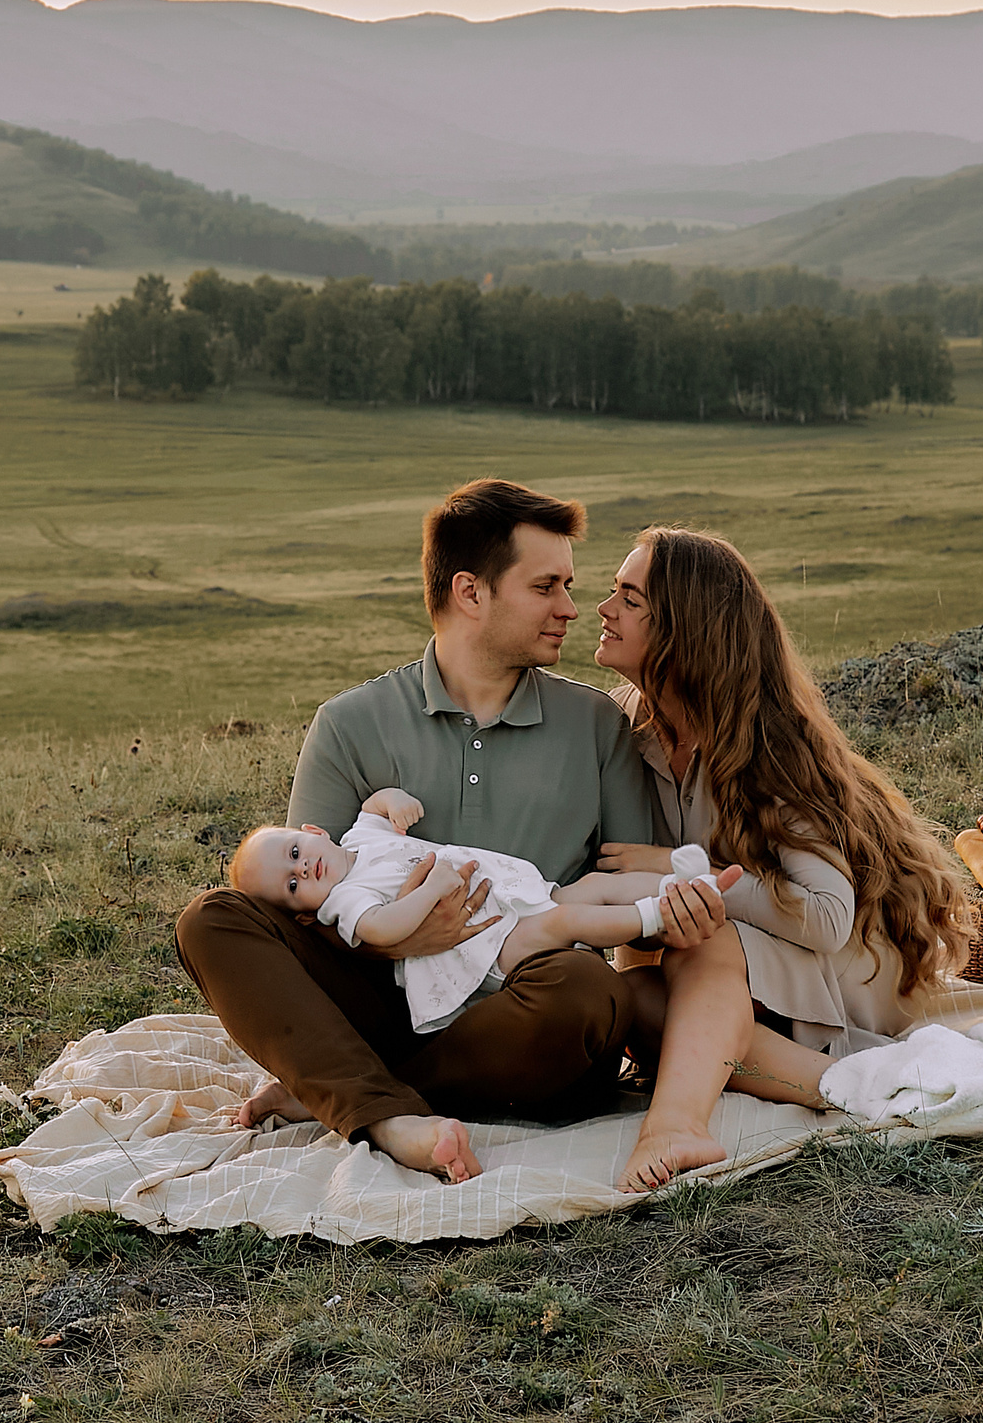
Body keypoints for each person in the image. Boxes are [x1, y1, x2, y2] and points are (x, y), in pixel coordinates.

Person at [174, 479, 728, 1185]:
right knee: (212, 919)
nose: (570, 608)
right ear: (471, 593)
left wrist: (677, 904)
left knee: (591, 992)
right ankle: (389, 1113)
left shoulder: (596, 727)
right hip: (380, 1004)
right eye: (545, 586)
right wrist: (401, 937)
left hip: (522, 1015)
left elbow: (623, 902)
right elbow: (300, 909)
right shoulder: (349, 724)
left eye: (568, 585)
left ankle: (343, 1091)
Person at [593, 526, 979, 1189]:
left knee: (702, 940)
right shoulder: (632, 723)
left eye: (630, 599)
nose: (605, 608)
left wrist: (685, 874)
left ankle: (675, 1128)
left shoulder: (769, 744)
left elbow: (829, 916)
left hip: (847, 966)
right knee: (629, 999)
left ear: (684, 631)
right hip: (743, 977)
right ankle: (835, 1086)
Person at [227, 785, 745, 1034]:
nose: (304, 871)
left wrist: (392, 800)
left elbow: (373, 809)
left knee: (590, 886)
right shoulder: (344, 901)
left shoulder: (359, 839)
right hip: (484, 949)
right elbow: (383, 930)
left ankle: (685, 887)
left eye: (296, 853)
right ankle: (657, 915)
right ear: (301, 912)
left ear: (312, 832)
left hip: (513, 900)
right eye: (292, 886)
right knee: (565, 921)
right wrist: (432, 891)